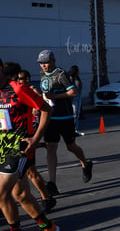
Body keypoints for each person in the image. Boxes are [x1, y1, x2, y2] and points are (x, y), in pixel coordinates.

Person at [0, 61, 59, 230]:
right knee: (21, 195)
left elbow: (46, 109)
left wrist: (35, 138)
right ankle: (49, 227)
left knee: (2, 194)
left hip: (18, 149)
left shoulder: (18, 89)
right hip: (1, 148)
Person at [37, 50, 93, 196]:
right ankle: (52, 183)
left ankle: (85, 164)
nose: (44, 65)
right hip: (50, 117)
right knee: (50, 148)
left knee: (71, 146)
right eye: (41, 63)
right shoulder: (42, 75)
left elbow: (73, 92)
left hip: (65, 117)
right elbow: (45, 94)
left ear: (53, 61)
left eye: (46, 62)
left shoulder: (60, 74)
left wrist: (55, 95)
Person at [18, 70, 56, 213]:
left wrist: (35, 108)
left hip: (29, 132)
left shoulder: (30, 91)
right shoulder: (12, 91)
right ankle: (47, 198)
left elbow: (42, 106)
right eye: (17, 79)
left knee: (26, 174)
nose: (19, 81)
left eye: (21, 78)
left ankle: (45, 200)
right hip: (18, 135)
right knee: (31, 172)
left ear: (27, 79)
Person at [68, 65, 84, 137]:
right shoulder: (70, 78)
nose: (79, 72)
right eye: (78, 70)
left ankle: (76, 129)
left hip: (78, 97)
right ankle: (72, 130)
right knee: (74, 115)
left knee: (77, 114)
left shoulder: (77, 78)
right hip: (73, 98)